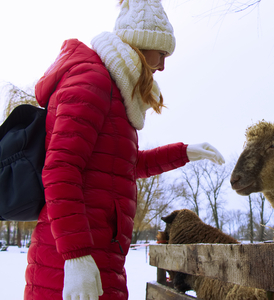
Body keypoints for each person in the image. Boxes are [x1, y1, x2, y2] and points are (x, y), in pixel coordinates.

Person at [24, 1, 225, 299]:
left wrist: (186, 152)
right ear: (142, 44)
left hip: (102, 255)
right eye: (162, 53)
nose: (164, 64)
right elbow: (60, 169)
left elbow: (126, 165)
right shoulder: (91, 81)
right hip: (70, 264)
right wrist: (76, 257)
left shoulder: (116, 92)